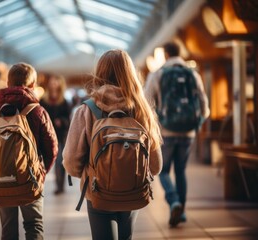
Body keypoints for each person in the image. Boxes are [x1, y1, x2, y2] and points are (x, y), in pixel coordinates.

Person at [63, 49, 163, 240]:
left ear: (100, 73)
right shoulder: (142, 109)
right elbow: (156, 166)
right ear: (130, 73)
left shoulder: (87, 110)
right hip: (133, 191)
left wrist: (90, 173)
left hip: (97, 192)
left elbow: (70, 161)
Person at [0, 62, 58, 240]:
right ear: (33, 85)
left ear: (7, 83)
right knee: (34, 225)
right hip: (30, 180)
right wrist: (41, 173)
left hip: (0, 181)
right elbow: (52, 148)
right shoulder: (38, 112)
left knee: (8, 228)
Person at [144, 42, 210, 227]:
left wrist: (154, 126)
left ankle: (174, 202)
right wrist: (199, 121)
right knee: (181, 170)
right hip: (188, 131)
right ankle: (182, 212)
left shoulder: (158, 74)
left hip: (166, 130)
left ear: (165, 54)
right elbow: (203, 102)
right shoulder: (192, 74)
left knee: (163, 171)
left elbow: (147, 104)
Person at [40, 74, 71, 195]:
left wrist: (62, 121)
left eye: (55, 81)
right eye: (52, 81)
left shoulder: (64, 101)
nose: (53, 83)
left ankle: (60, 185)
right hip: (46, 136)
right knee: (44, 162)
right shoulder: (43, 100)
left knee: (59, 162)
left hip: (59, 136)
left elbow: (68, 120)